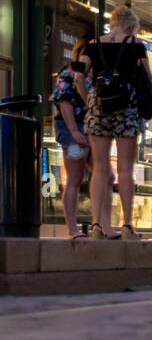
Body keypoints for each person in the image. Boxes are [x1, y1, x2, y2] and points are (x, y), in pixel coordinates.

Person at [75, 5, 152, 240]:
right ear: (130, 25)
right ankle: (126, 226)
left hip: (99, 106)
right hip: (126, 107)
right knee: (126, 168)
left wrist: (89, 101)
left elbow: (77, 76)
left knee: (100, 168)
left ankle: (95, 226)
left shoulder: (93, 45)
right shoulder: (135, 45)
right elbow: (148, 78)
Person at [52, 37, 94, 239]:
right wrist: (75, 132)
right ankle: (72, 229)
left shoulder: (94, 75)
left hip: (90, 128)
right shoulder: (69, 72)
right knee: (75, 178)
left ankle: (99, 224)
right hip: (73, 127)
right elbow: (64, 102)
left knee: (105, 175)